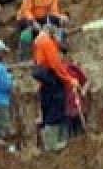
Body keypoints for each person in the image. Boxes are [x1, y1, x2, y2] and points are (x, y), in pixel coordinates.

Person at [31, 22, 79, 152]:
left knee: (49, 113)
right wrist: (70, 80)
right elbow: (56, 65)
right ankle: (53, 145)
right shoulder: (46, 42)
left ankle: (51, 144)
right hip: (53, 84)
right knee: (55, 113)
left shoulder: (39, 41)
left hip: (46, 84)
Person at [63, 47, 90, 137]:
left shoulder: (73, 68)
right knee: (70, 137)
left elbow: (86, 82)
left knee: (82, 134)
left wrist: (83, 91)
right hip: (66, 109)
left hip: (78, 106)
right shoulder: (56, 72)